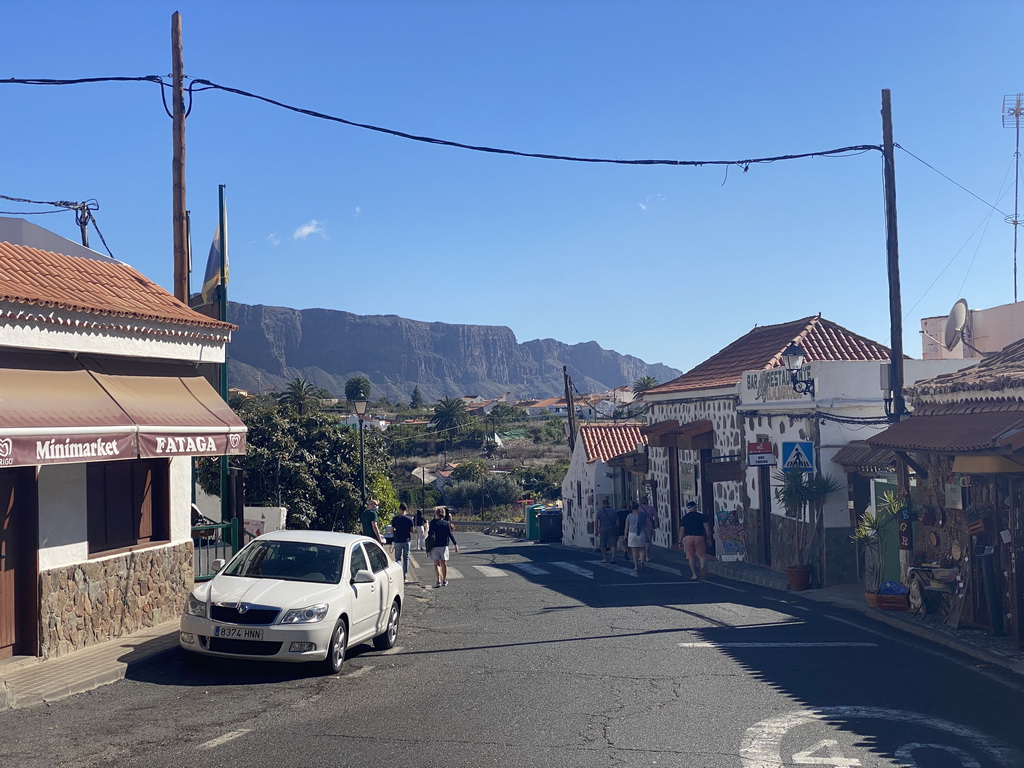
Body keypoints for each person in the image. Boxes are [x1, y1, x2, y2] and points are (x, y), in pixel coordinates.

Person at [679, 501, 712, 580]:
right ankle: (703, 567)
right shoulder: (701, 516)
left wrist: (679, 541)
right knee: (702, 555)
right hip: (699, 537)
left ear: (688, 508)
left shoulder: (685, 517)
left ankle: (694, 574)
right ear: (695, 507)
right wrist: (709, 538)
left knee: (691, 556)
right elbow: (707, 528)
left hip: (688, 537)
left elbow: (681, 530)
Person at [428, 507, 459, 587]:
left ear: (436, 514)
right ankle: (444, 580)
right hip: (444, 545)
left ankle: (438, 580)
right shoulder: (446, 523)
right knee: (444, 563)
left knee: (436, 563)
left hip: (434, 545)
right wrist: (455, 544)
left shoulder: (432, 523)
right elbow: (450, 534)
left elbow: (429, 533)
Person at [391, 503, 414, 582]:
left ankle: (399, 575)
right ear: (406, 509)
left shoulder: (395, 518)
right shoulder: (409, 519)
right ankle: (404, 576)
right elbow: (412, 530)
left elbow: (392, 530)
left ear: (399, 509)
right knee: (406, 558)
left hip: (397, 540)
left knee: (398, 558)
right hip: (406, 540)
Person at [624, 502, 650, 573]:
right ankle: (642, 561)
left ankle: (636, 566)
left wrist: (625, 535)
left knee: (634, 551)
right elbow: (645, 525)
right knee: (642, 549)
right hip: (641, 533)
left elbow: (627, 526)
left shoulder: (629, 516)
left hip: (632, 534)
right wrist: (648, 533)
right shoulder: (643, 515)